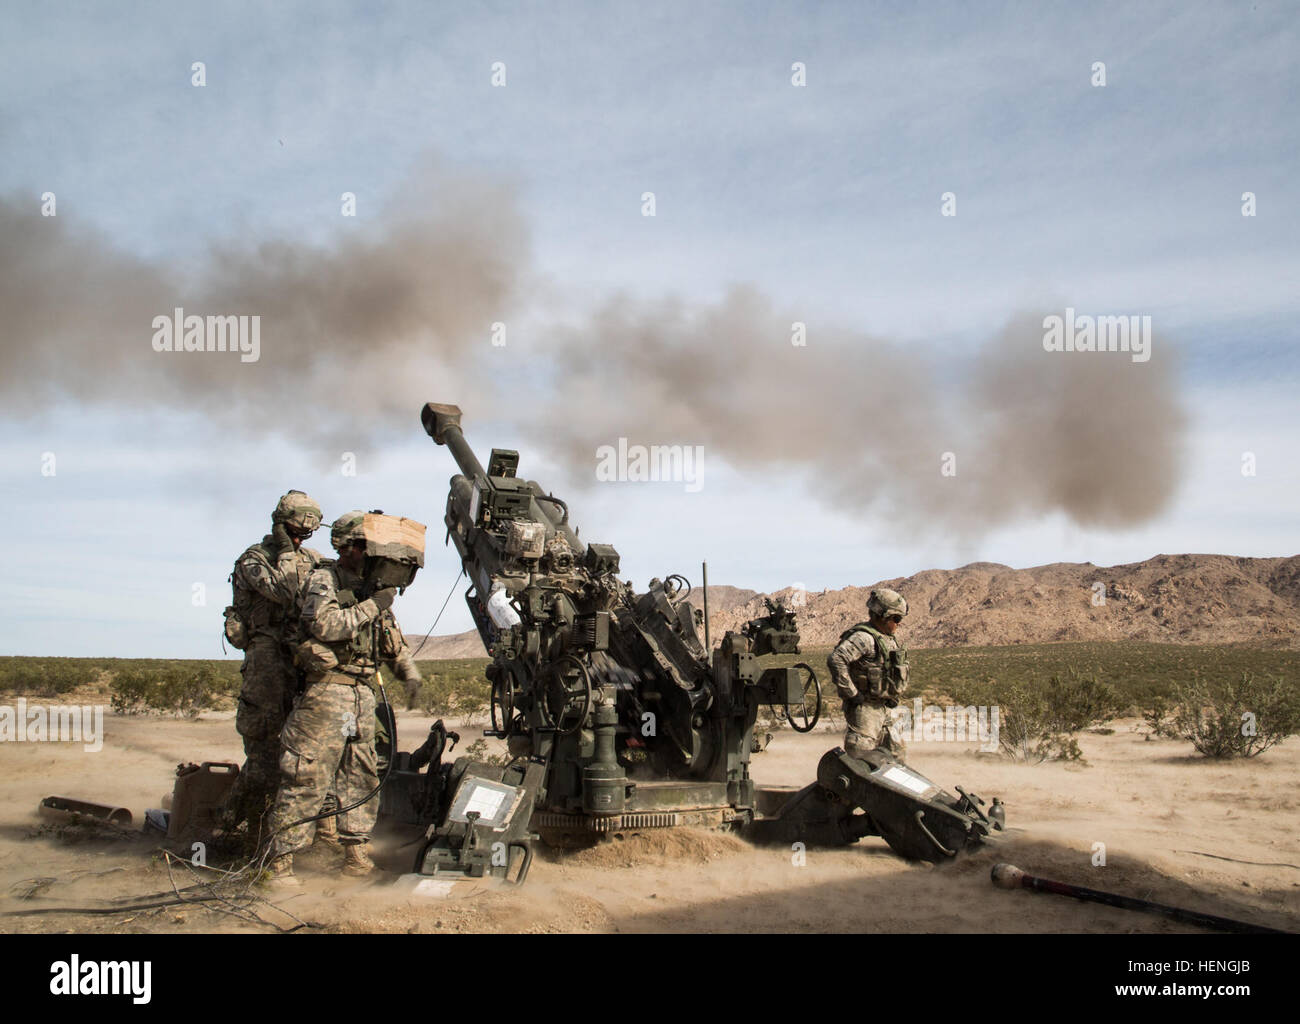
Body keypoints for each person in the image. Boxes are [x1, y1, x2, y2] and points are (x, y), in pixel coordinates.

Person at [264, 511, 419, 883]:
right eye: (365, 546)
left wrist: (409, 674)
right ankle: (280, 864)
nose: (371, 554)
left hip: (361, 696)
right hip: (328, 691)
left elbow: (393, 643)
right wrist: (373, 606)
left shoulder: (374, 589)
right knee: (308, 774)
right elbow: (326, 625)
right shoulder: (325, 579)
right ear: (346, 546)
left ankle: (354, 857)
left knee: (361, 774)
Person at [221, 490, 323, 833]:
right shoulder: (255, 558)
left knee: (300, 754)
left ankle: (274, 829)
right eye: (293, 532)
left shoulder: (311, 558)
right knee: (264, 755)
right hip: (266, 659)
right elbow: (285, 591)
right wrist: (284, 550)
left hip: (299, 659)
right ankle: (228, 827)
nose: (299, 539)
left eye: (305, 534)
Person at [826, 588, 911, 761]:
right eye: (896, 618)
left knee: (897, 755)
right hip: (865, 709)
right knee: (862, 757)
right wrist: (852, 693)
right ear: (882, 615)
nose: (898, 623)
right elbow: (837, 659)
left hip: (884, 708)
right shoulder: (864, 638)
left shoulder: (887, 638)